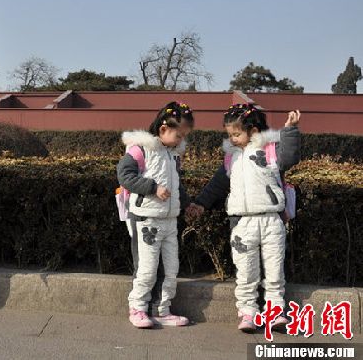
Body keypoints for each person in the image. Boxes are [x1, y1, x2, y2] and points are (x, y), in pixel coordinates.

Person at [191, 104, 301, 333]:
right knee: (246, 271)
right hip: (241, 223)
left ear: (253, 130)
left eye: (236, 134)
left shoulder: (270, 149)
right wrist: (200, 203)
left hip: (272, 220)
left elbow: (290, 158)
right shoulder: (231, 158)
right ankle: (248, 312)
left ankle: (276, 312)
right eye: (229, 135)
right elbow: (217, 185)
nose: (232, 139)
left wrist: (289, 129)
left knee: (274, 271)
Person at [117, 102, 195, 328]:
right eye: (179, 135)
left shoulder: (173, 156)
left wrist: (187, 204)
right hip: (146, 219)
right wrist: (152, 187)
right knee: (147, 267)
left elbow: (177, 186)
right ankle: (138, 308)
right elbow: (124, 175)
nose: (181, 140)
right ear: (163, 130)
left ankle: (162, 309)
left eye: (184, 136)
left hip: (169, 221)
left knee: (171, 269)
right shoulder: (140, 149)